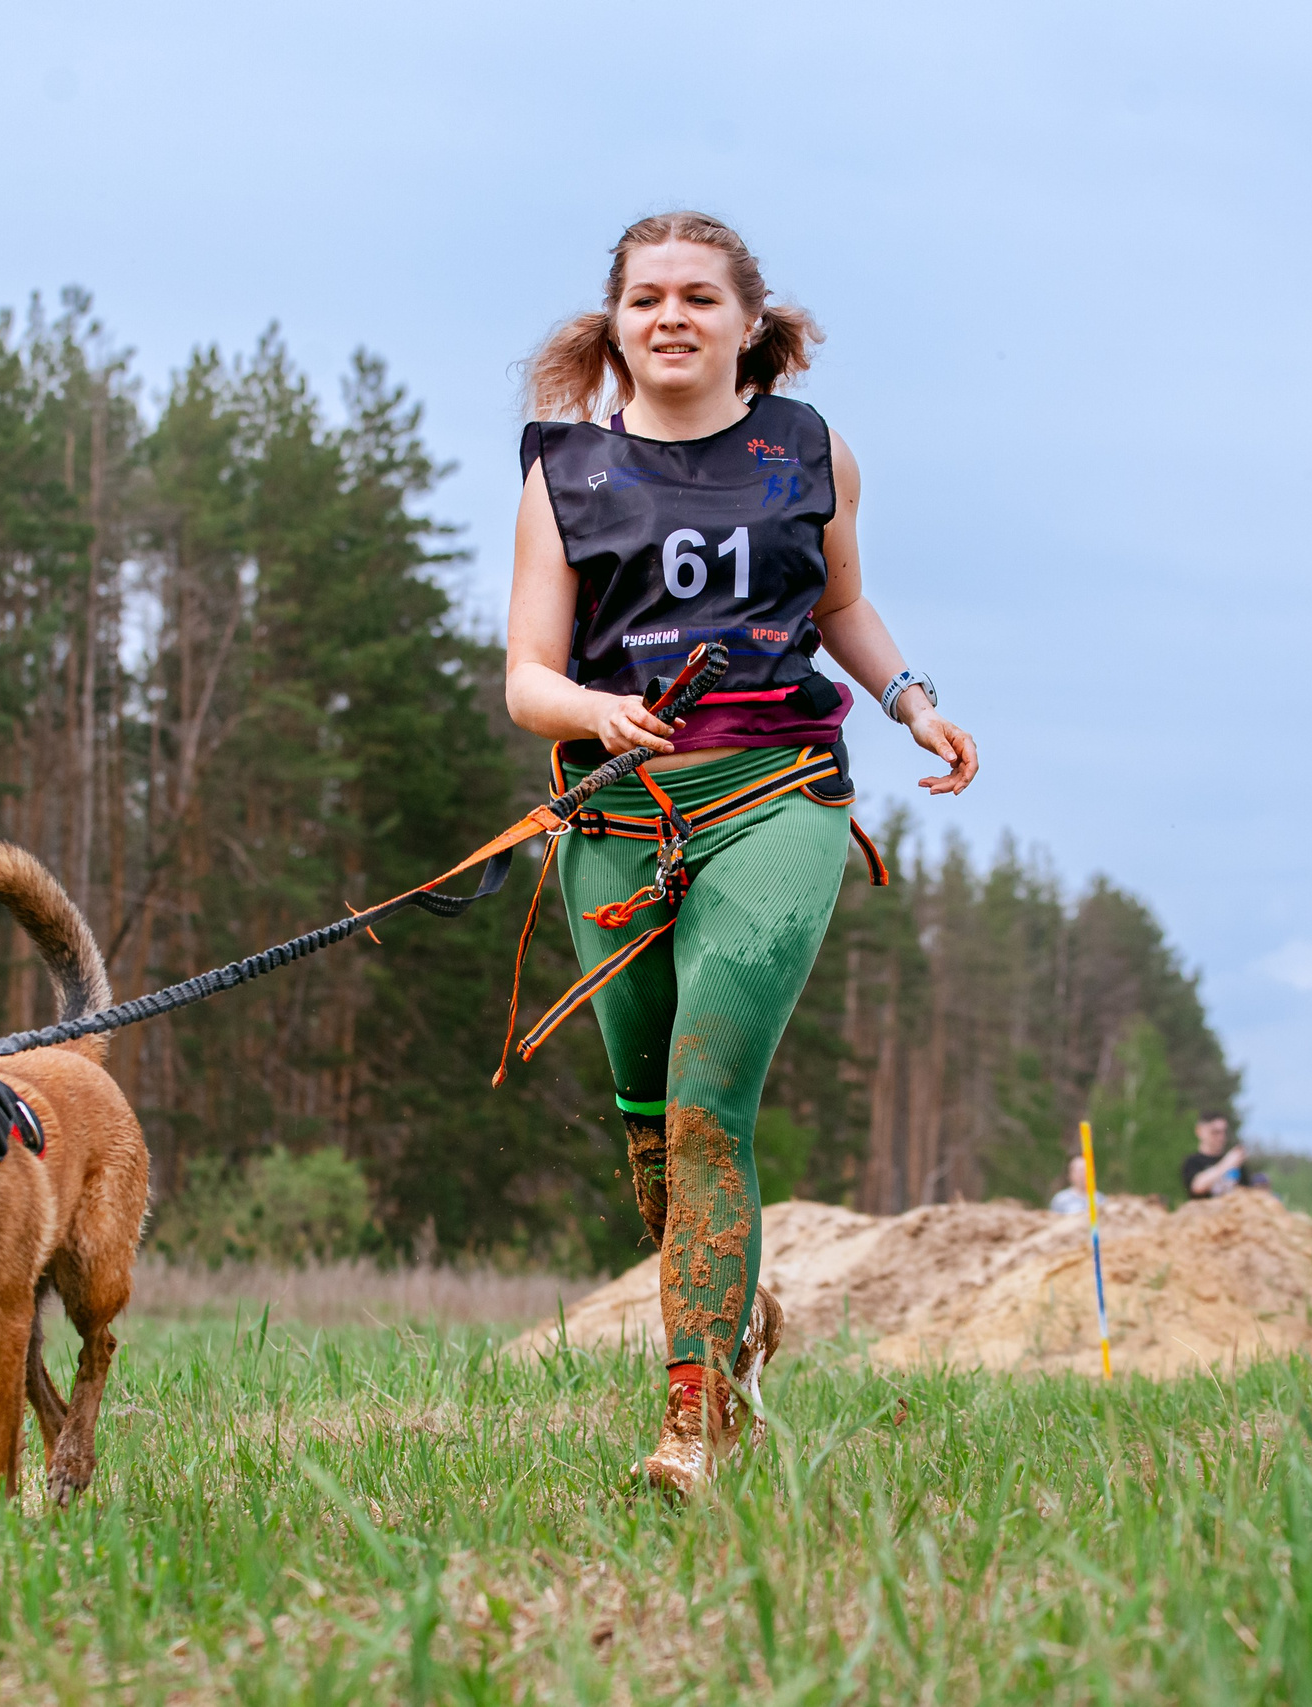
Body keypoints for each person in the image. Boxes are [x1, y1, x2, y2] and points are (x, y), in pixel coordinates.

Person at [507, 212, 979, 1494]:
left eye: (698, 297)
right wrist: (592, 710)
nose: (672, 316)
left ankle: (694, 1420)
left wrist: (910, 699)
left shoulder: (805, 451)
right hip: (613, 813)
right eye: (647, 297)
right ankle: (739, 1319)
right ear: (614, 322)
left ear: (743, 320)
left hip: (777, 795)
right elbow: (525, 678)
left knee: (711, 1102)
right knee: (649, 1127)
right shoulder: (566, 475)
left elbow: (837, 605)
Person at [1179, 1113, 1248, 1199]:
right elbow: (1197, 1187)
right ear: (1199, 1131)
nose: (1221, 1137)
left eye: (1224, 1132)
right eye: (1215, 1132)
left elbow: (1248, 1192)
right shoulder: (1192, 1162)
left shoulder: (1237, 1164)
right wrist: (1227, 1164)